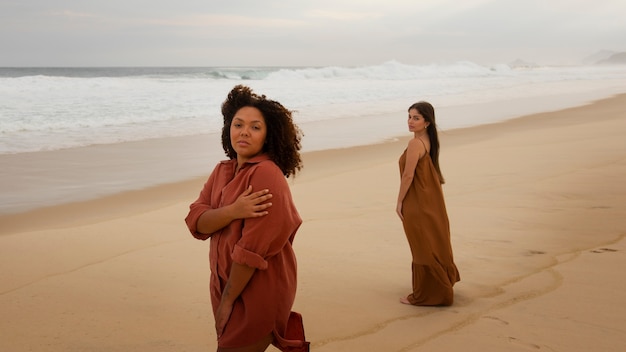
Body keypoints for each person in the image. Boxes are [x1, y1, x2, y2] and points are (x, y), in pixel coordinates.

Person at [185, 85, 309, 352]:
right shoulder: (222, 171)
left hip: (258, 286)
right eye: (238, 124)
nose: (244, 131)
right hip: (223, 283)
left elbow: (251, 248)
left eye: (255, 127)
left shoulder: (266, 174)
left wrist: (228, 302)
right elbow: (195, 221)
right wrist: (232, 211)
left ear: (268, 135)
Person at [396, 101, 460, 306]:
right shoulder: (428, 141)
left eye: (416, 118)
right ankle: (439, 284)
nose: (410, 121)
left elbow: (408, 176)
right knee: (431, 242)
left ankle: (428, 293)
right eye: (409, 116)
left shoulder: (415, 144)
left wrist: (399, 201)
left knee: (421, 245)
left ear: (427, 122)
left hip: (417, 202)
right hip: (430, 200)